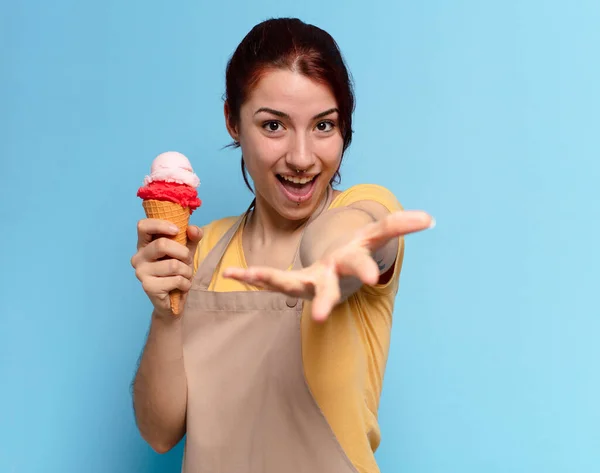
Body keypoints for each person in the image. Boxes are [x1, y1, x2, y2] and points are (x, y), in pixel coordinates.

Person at [130, 17, 433, 473]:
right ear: (233, 120)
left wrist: (333, 257)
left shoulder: (369, 210)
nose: (302, 157)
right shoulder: (200, 247)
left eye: (323, 126)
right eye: (274, 126)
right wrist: (164, 313)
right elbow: (159, 434)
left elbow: (351, 232)